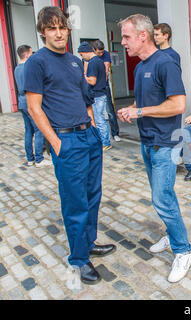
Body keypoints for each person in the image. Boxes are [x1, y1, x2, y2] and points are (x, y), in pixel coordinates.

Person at [23, 6, 116, 285]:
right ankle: (78, 259)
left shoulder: (75, 61)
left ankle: (87, 244)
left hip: (88, 137)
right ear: (43, 32)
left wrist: (95, 130)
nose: (59, 32)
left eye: (62, 27)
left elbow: (85, 98)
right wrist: (55, 143)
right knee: (75, 203)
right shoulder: (37, 62)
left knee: (92, 197)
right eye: (52, 28)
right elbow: (33, 107)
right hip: (66, 140)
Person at [117, 14, 191, 283]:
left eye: (126, 36)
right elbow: (148, 106)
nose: (123, 42)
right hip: (147, 143)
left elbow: (178, 105)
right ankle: (172, 236)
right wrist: (132, 113)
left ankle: (183, 251)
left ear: (143, 36)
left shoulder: (166, 63)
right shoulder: (139, 68)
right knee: (162, 196)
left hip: (166, 144)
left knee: (161, 199)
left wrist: (138, 110)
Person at [14, 45, 51, 168]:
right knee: (39, 129)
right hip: (30, 101)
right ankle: (39, 159)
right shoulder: (28, 68)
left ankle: (30, 159)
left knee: (28, 131)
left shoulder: (16, 69)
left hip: (21, 101)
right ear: (28, 54)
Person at [78, 42, 112, 151]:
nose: (82, 57)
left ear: (86, 52)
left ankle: (105, 142)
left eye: (82, 55)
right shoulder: (99, 61)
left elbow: (92, 81)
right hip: (101, 93)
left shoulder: (93, 62)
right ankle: (104, 141)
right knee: (99, 118)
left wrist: (82, 77)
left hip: (97, 94)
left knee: (99, 119)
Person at [92, 39, 121, 142]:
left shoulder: (106, 54)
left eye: (102, 52)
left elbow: (106, 70)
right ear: (94, 50)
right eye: (98, 52)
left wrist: (102, 84)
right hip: (93, 88)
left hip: (104, 86)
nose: (101, 54)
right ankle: (98, 136)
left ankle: (115, 133)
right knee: (95, 113)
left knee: (110, 110)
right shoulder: (91, 57)